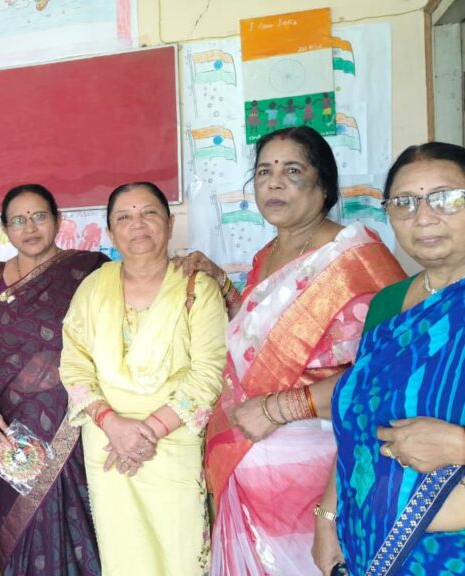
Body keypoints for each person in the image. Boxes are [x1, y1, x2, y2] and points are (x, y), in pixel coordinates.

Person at [178, 126, 405, 574]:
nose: (274, 183)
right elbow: (256, 337)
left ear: (324, 186)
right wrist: (222, 283)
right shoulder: (267, 254)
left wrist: (280, 408)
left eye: (293, 171)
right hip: (246, 462)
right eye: (264, 172)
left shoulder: (358, 259)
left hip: (317, 469)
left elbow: (388, 373)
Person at [59, 182, 227, 575]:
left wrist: (145, 433)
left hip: (173, 441)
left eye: (149, 213)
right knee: (124, 553)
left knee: (180, 551)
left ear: (169, 223)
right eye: (124, 217)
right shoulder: (93, 288)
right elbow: (74, 365)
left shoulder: (197, 288)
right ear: (110, 231)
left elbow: (209, 373)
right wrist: (112, 424)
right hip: (108, 442)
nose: (138, 224)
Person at [313, 142, 465, 575]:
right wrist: (327, 517)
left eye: (446, 198)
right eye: (405, 202)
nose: (424, 216)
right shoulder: (388, 304)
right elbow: (359, 419)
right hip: (368, 546)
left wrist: (458, 445)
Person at [0, 184, 106, 575]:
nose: (30, 227)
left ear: (58, 220)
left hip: (73, 423)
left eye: (39, 216)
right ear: (5, 229)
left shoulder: (91, 270)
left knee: (77, 518)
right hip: (8, 428)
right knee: (18, 527)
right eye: (18, 220)